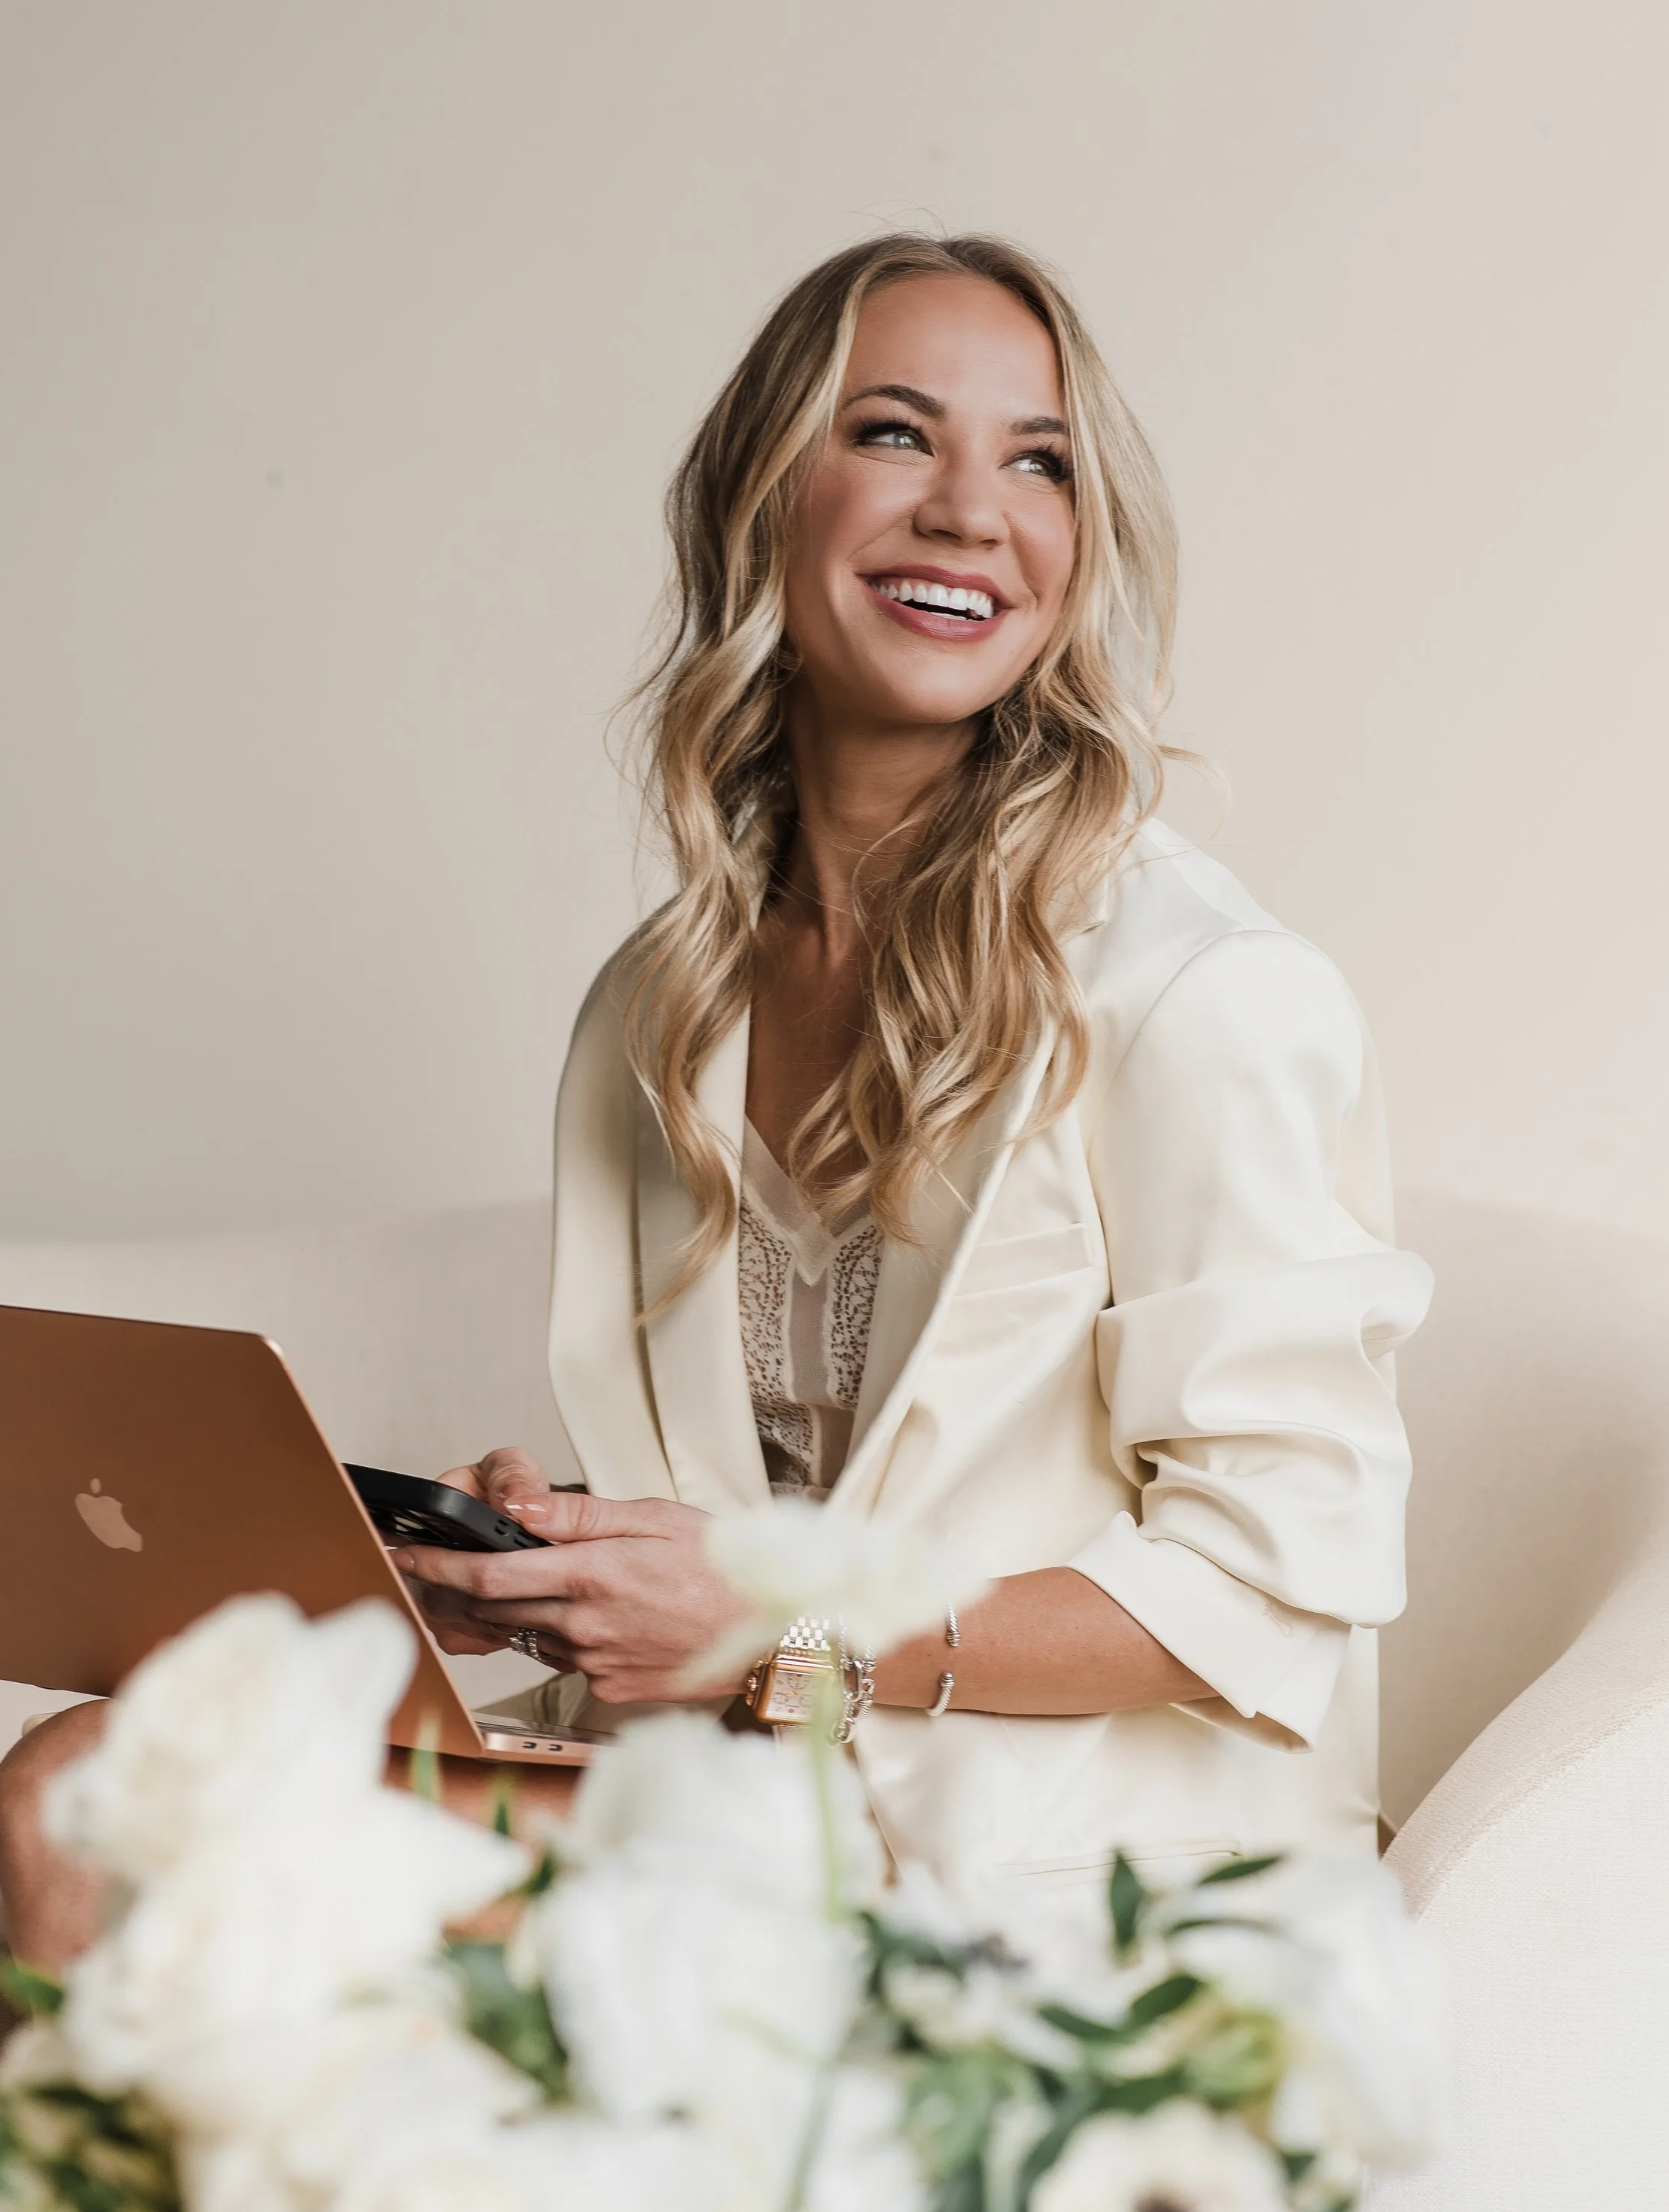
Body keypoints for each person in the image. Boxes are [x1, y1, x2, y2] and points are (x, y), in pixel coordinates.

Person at [0, 233, 1430, 1967]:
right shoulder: (656, 1016)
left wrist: (779, 1630)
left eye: (1036, 459)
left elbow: (1271, 1581)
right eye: (895, 433)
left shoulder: (1201, 995)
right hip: (745, 1799)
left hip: (1057, 1861)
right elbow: (729, 1519)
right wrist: (528, 1577)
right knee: (82, 1778)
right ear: (770, 499)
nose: (973, 509)